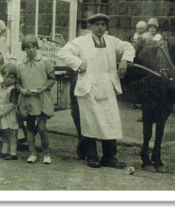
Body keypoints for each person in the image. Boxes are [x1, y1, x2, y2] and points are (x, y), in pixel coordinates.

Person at [57, 13, 135, 169]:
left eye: (103, 25)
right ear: (91, 26)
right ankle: (91, 156)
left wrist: (125, 60)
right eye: (97, 24)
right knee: (90, 120)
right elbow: (62, 53)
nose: (100, 27)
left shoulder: (112, 41)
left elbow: (128, 46)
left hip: (107, 84)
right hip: (88, 85)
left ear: (106, 27)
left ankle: (109, 157)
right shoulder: (81, 42)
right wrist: (78, 63)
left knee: (110, 120)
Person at [16, 34, 56, 164]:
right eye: (27, 47)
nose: (31, 50)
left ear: (36, 47)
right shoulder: (20, 64)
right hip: (28, 100)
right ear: (24, 49)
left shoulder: (44, 61)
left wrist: (43, 88)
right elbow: (17, 82)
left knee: (42, 127)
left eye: (33, 47)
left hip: (41, 98)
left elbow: (52, 78)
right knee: (29, 127)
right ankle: (32, 153)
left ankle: (46, 154)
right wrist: (22, 90)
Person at [0, 63, 19, 160]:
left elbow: (13, 104)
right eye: (7, 77)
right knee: (2, 132)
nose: (9, 79)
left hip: (7, 114)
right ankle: (4, 151)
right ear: (2, 75)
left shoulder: (13, 90)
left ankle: (13, 153)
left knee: (10, 133)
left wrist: (3, 113)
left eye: (12, 77)